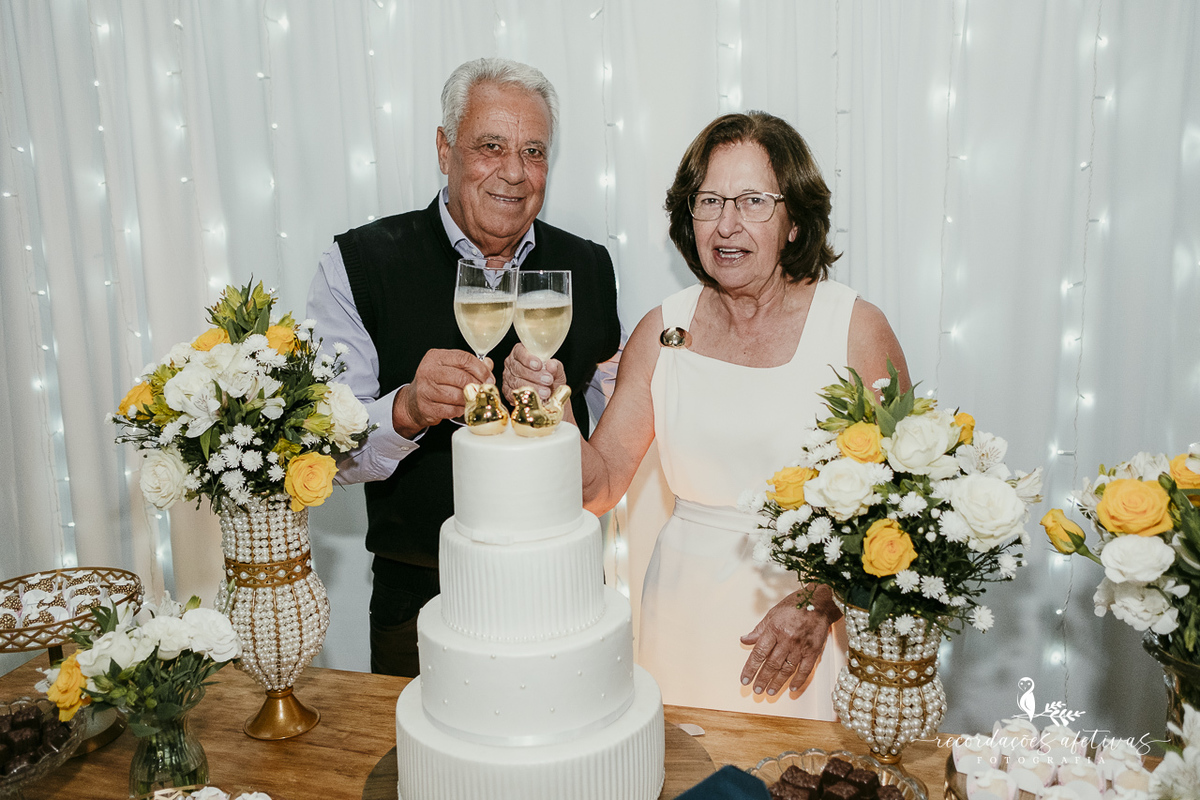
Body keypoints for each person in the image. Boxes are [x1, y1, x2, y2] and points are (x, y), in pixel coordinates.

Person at [504, 111, 910, 718]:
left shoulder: (854, 327)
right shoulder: (661, 329)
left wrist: (821, 602)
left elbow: (907, 502)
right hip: (678, 624)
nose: (726, 224)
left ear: (795, 221)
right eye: (710, 201)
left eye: (753, 201)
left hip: (800, 636)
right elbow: (599, 487)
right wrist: (554, 407)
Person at [307, 58, 622, 677]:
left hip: (561, 590)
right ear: (444, 149)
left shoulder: (588, 266)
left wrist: (560, 410)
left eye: (533, 151)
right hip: (421, 600)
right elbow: (326, 454)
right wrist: (407, 409)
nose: (514, 172)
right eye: (490, 146)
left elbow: (612, 440)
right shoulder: (360, 264)